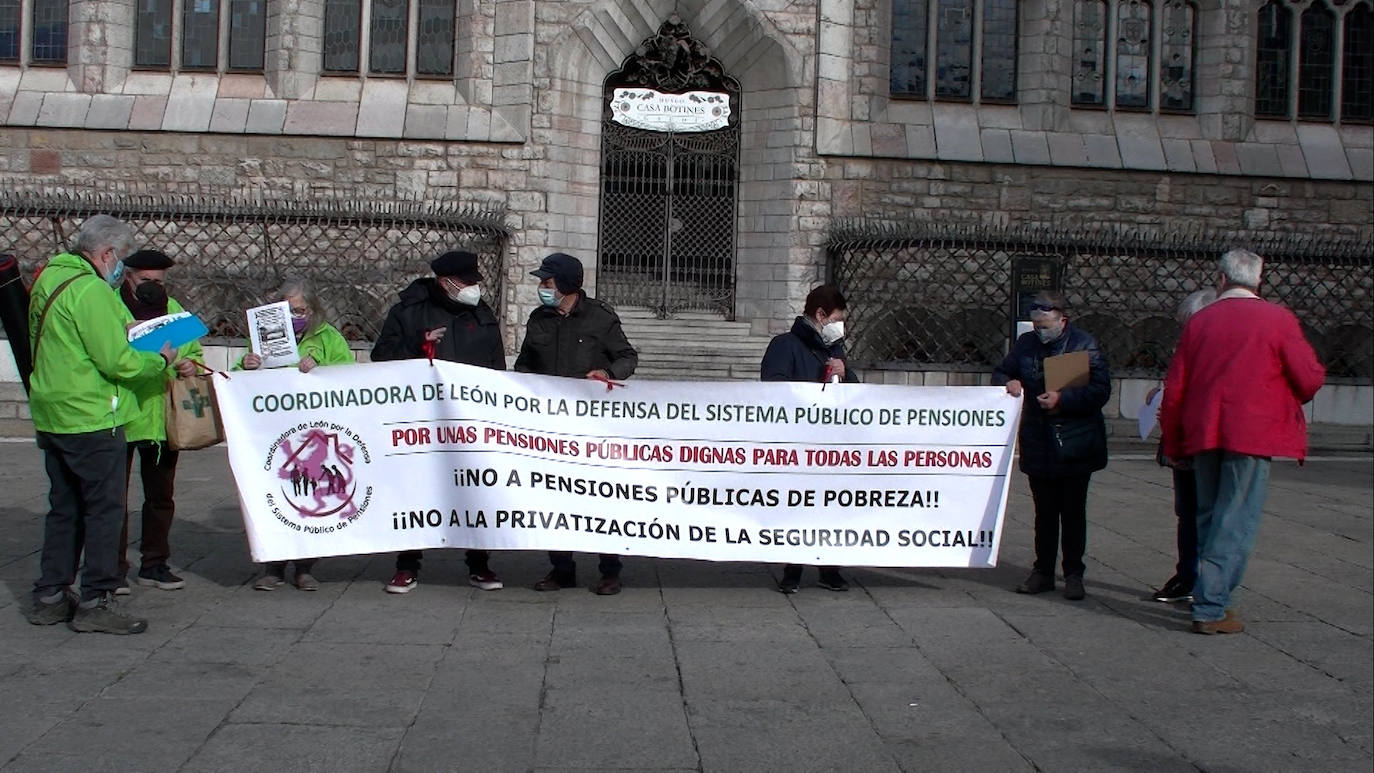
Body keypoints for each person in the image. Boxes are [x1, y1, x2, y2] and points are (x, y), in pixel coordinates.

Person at [26, 215, 180, 635]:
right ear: (108, 254)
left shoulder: (51, 278)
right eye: (120, 259)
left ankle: (51, 594)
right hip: (92, 412)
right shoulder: (91, 290)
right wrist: (159, 359)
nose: (119, 268)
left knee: (65, 507)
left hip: (54, 409)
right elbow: (117, 361)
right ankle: (97, 596)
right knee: (103, 510)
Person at [1160, 249, 1325, 635]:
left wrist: (1174, 440)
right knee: (1236, 519)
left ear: (1221, 279)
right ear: (1258, 281)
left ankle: (1206, 594)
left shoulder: (1200, 322)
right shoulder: (1278, 320)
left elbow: (1176, 388)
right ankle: (1212, 606)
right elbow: (1309, 378)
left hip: (1203, 429)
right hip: (1252, 431)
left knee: (1206, 516)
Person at [372, 250, 507, 594]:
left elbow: (497, 365)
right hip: (422, 420)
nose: (474, 287)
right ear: (445, 282)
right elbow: (382, 358)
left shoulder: (482, 312)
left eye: (475, 281)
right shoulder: (408, 311)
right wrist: (420, 346)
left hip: (470, 421)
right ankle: (406, 566)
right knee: (418, 490)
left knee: (473, 489)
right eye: (467, 282)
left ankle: (479, 564)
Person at [514, 252, 638, 595]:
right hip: (550, 426)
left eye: (547, 282)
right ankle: (561, 567)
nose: (542, 288)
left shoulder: (600, 318)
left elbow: (627, 356)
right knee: (555, 496)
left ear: (567, 285)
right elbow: (525, 364)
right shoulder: (539, 319)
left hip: (592, 427)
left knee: (602, 496)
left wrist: (608, 374)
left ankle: (610, 568)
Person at [993, 290, 1110, 601]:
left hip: (1075, 440)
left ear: (1062, 320)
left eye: (1046, 324)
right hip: (1038, 439)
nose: (1040, 331)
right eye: (1036, 325)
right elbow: (1002, 370)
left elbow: (1100, 390)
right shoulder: (1026, 345)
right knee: (1043, 512)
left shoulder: (1085, 345)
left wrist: (1064, 399)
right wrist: (1009, 381)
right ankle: (1042, 570)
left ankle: (1073, 572)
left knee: (1073, 511)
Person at [239, 276, 353, 591]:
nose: (295, 316)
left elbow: (349, 376)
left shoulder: (329, 337)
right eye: (288, 310)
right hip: (272, 435)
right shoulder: (264, 339)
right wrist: (247, 364)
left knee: (310, 497)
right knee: (272, 496)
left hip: (313, 434)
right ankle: (272, 567)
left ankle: (305, 566)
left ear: (313, 310)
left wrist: (321, 365)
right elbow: (239, 381)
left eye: (300, 310)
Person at [760, 284, 859, 594]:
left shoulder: (835, 349)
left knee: (831, 506)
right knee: (797, 506)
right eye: (837, 318)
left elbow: (854, 394)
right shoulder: (785, 345)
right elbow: (773, 390)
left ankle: (830, 568)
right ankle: (793, 568)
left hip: (831, 444)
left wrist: (847, 373)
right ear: (820, 315)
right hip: (797, 443)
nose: (839, 326)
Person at [116, 249, 203, 594]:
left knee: (161, 496)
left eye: (158, 282)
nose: (152, 287)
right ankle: (113, 567)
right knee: (113, 497)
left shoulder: (175, 310)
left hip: (164, 416)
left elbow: (194, 351)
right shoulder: (111, 307)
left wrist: (189, 364)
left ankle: (154, 563)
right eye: (145, 280)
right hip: (122, 413)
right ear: (127, 277)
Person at [1148, 288, 1216, 604]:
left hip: (1205, 441)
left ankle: (1206, 582)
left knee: (1208, 515)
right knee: (1186, 513)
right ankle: (1187, 575)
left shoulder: (1218, 348)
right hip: (1181, 440)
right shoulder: (1186, 346)